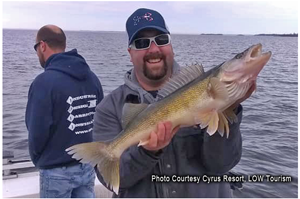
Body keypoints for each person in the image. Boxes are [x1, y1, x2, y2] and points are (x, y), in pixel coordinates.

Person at [93, 8, 254, 197]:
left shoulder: (205, 89)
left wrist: (229, 107)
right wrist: (147, 152)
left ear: (171, 45)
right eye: (142, 43)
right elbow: (115, 181)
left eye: (161, 40)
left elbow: (222, 164)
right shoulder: (109, 108)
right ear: (130, 52)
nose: (153, 49)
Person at [25, 25, 104, 198]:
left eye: (36, 48)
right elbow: (100, 122)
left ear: (43, 46)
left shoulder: (43, 83)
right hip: (87, 165)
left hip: (55, 170)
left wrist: (41, 161)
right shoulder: (92, 78)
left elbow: (36, 132)